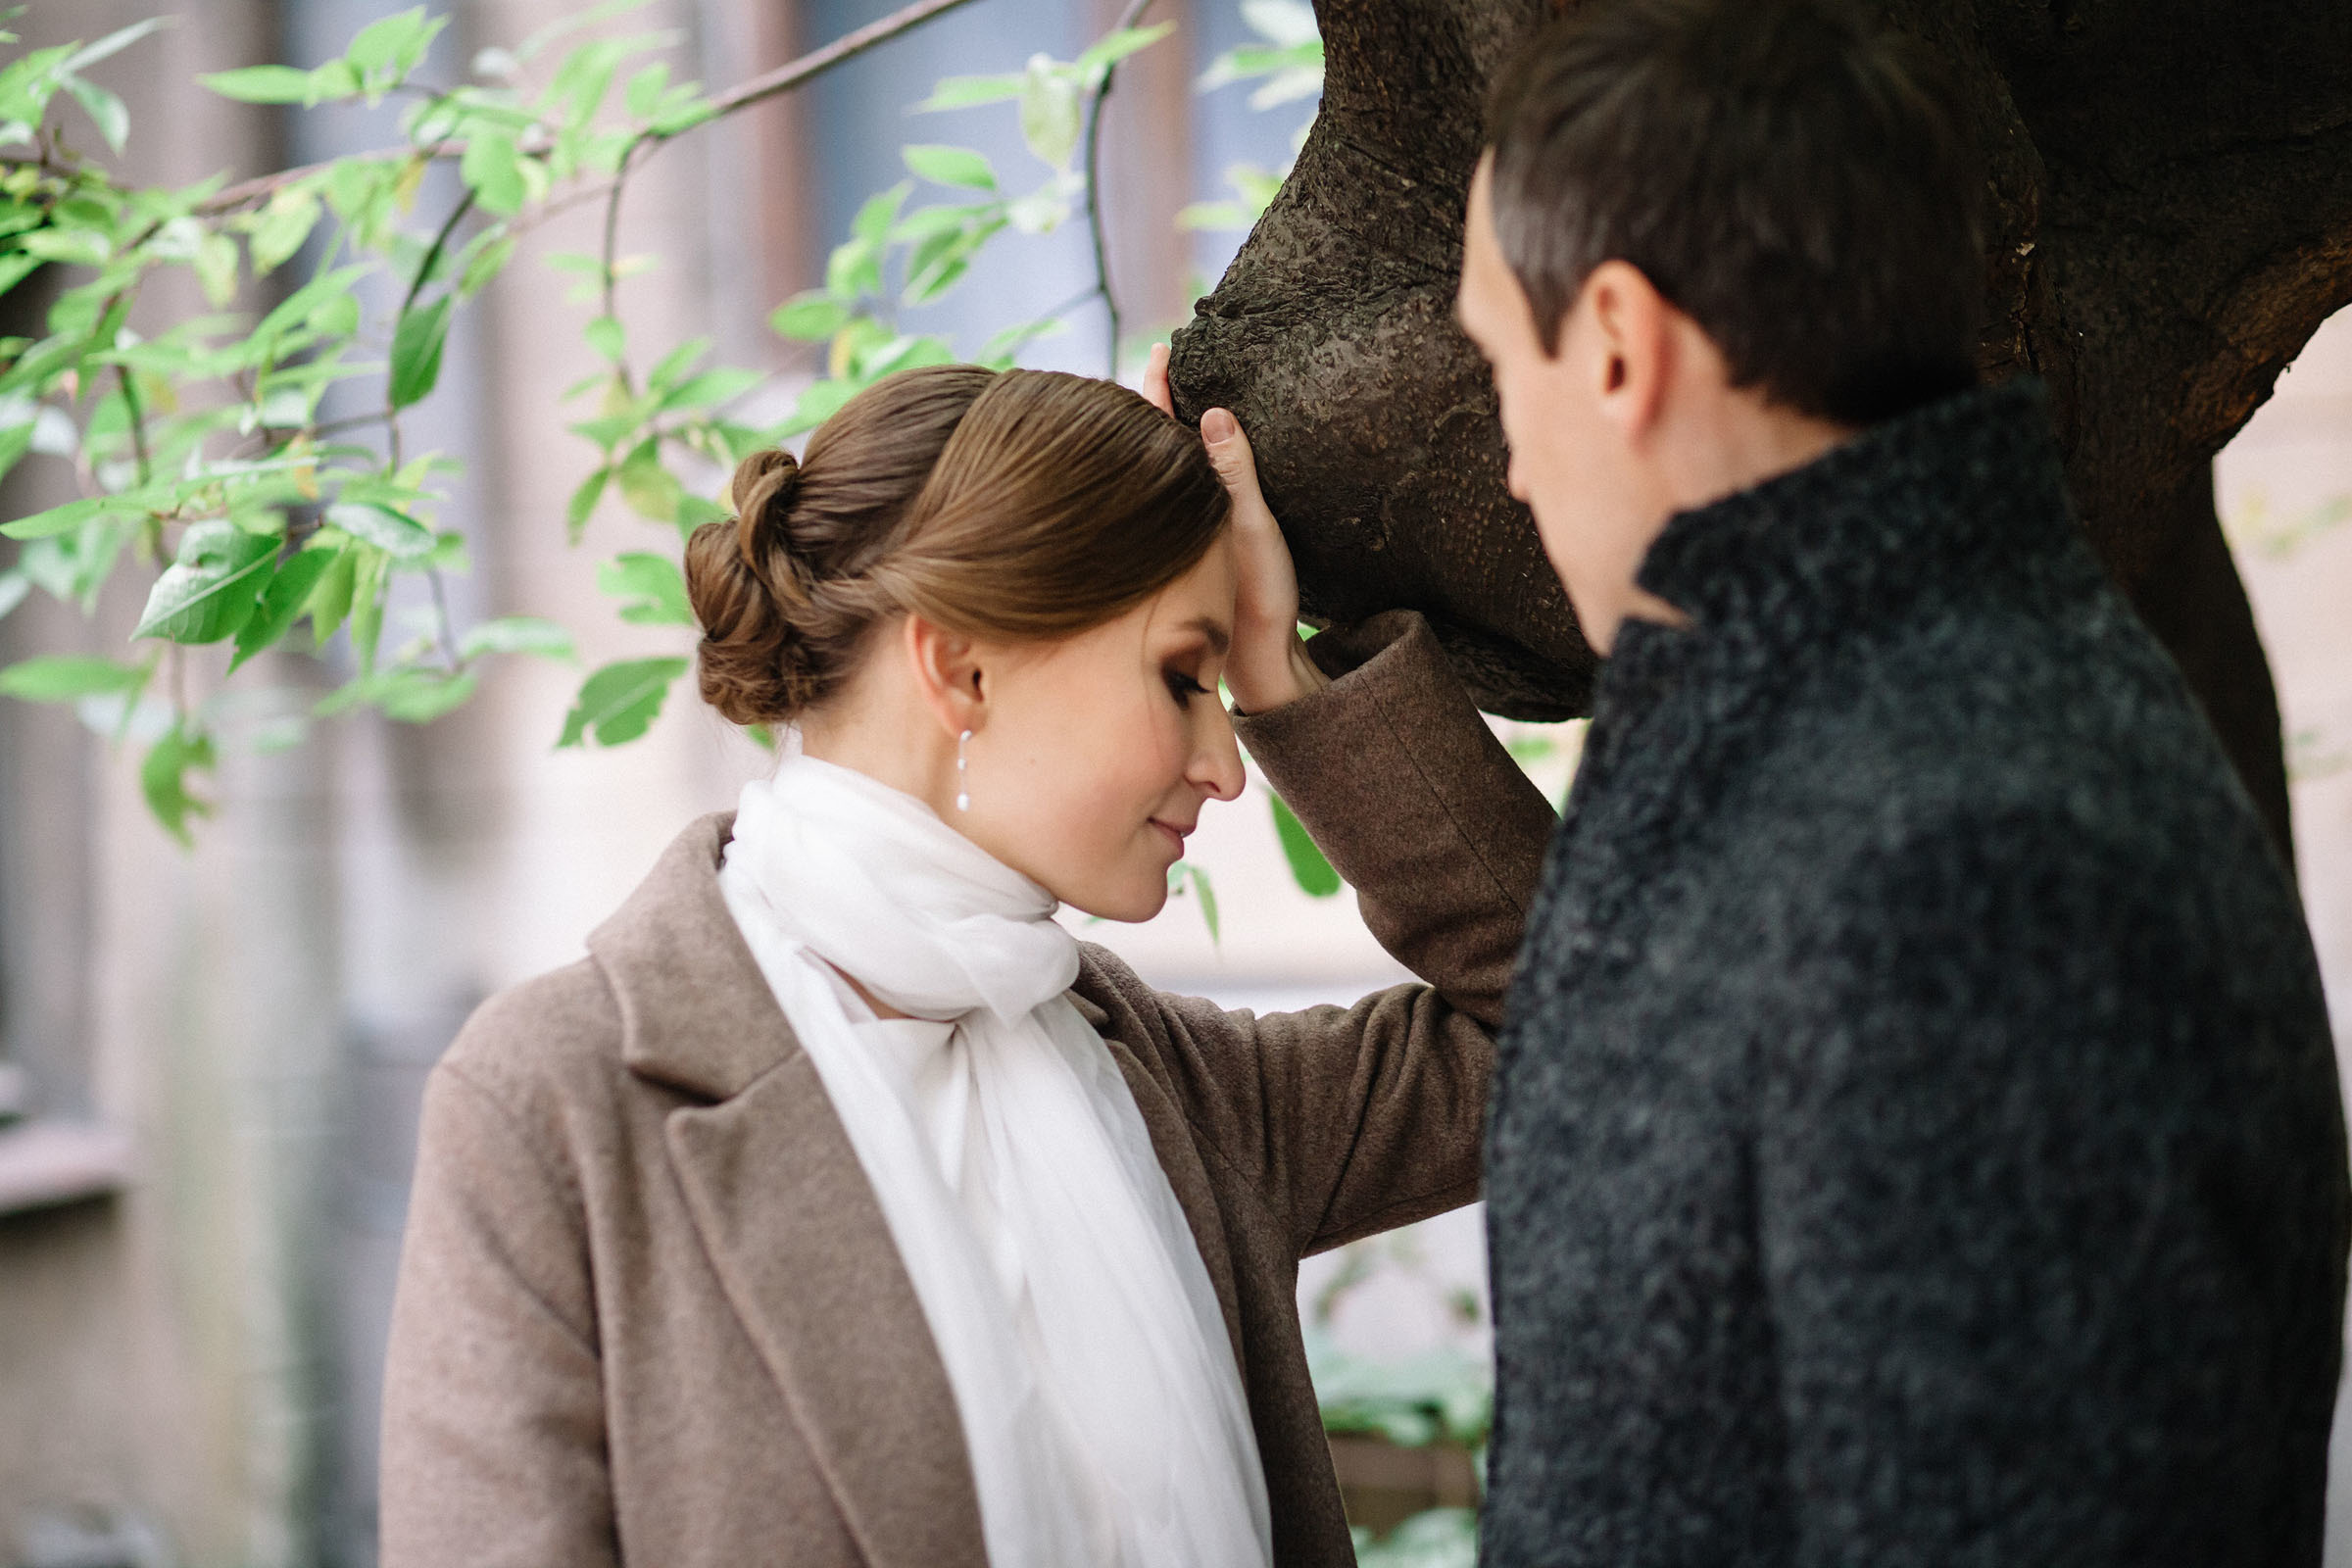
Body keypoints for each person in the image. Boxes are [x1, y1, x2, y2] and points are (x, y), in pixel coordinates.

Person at [377, 358, 1558, 1567]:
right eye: (1182, 677)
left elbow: (1577, 1016)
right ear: (961, 667)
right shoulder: (556, 1103)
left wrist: (1286, 673)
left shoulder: (1183, 1089)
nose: (1225, 764)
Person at [1453, 0, 2348, 1562]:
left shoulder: (1974, 871)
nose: (1514, 463)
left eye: (1495, 365)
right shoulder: (1860, 697)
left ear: (1616, 345)